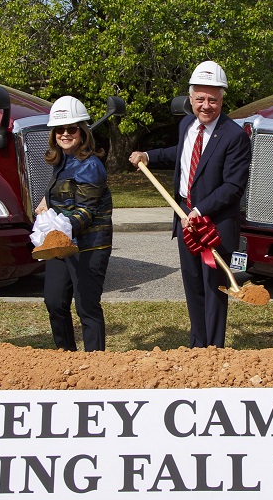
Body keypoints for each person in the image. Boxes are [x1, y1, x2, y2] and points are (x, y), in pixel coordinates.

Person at [129, 60, 251, 348]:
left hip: (214, 222)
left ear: (222, 99)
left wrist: (199, 211)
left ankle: (214, 349)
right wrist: (149, 155)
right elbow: (180, 154)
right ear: (191, 98)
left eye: (213, 99)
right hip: (185, 216)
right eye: (200, 99)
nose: (206, 105)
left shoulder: (235, 137)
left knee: (213, 287)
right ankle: (197, 344)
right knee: (192, 283)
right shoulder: (187, 124)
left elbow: (233, 187)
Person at [37, 95, 113, 352]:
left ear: (83, 132)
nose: (65, 134)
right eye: (60, 129)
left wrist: (55, 232)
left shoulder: (91, 166)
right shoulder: (61, 161)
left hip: (89, 246)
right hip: (62, 244)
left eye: (72, 129)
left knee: (86, 306)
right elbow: (63, 193)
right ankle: (65, 356)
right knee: (55, 302)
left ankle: (95, 363)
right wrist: (47, 201)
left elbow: (85, 212)